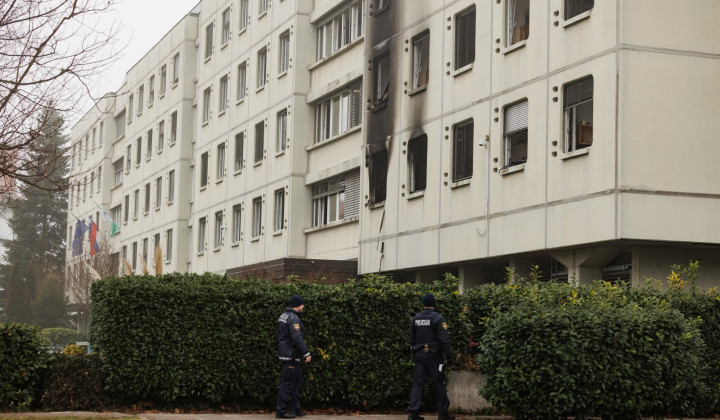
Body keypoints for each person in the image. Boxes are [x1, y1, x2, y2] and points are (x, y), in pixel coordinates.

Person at [408, 293, 455, 420]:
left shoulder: (416, 319)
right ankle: (443, 414)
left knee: (418, 384)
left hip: (419, 355)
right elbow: (444, 340)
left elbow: (411, 339)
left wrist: (415, 353)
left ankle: (413, 413)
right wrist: (449, 357)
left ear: (423, 304)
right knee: (439, 382)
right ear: (434, 304)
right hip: (434, 356)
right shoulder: (438, 318)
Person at [276, 295, 311, 419]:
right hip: (290, 356)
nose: (303, 306)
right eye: (302, 304)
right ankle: (281, 411)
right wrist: (306, 353)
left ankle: (296, 409)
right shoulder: (293, 318)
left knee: (297, 381)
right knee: (288, 383)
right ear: (297, 305)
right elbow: (297, 337)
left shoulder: (284, 315)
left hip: (288, 354)